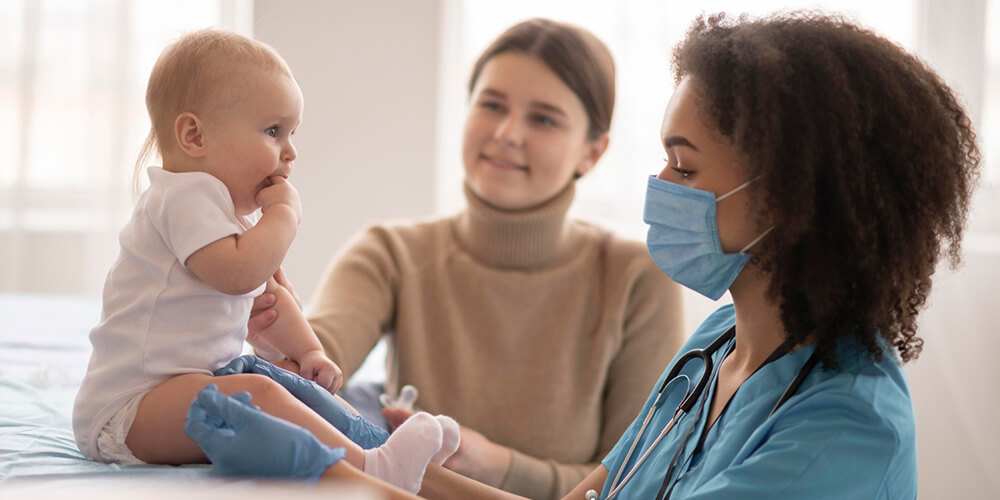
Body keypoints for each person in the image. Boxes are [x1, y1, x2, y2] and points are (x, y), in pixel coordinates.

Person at [183, 10, 980, 499]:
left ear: (791, 196)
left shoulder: (841, 431)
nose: (660, 184)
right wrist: (359, 450)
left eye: (685, 165)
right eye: (491, 106)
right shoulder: (717, 346)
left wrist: (335, 472)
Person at [247, 18, 685, 499]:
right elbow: (316, 362)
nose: (506, 133)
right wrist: (276, 334)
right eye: (491, 105)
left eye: (543, 119)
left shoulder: (636, 278)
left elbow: (639, 476)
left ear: (593, 152)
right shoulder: (391, 252)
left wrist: (498, 465)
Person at [72, 29, 459, 494]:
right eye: (274, 132)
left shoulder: (229, 215)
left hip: (187, 390)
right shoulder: (181, 197)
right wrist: (285, 217)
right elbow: (240, 276)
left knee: (280, 382)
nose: (290, 152)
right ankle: (372, 468)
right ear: (193, 135)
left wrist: (308, 350)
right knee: (259, 394)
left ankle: (381, 448)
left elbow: (269, 296)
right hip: (129, 411)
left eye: (292, 133)